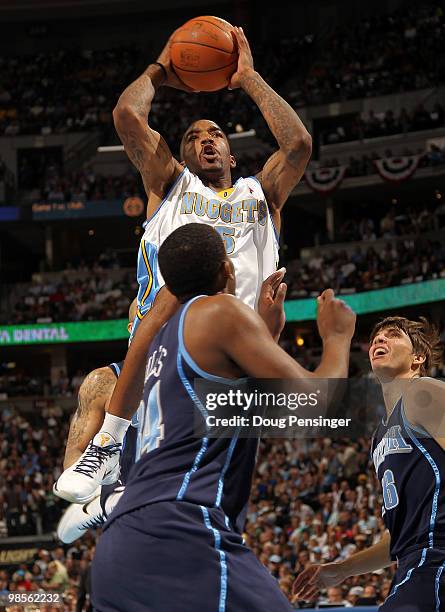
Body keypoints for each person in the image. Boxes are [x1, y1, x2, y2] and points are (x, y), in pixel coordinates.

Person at [73, 224, 354, 611]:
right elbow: (319, 407)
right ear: (226, 269)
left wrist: (264, 340)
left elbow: (229, 413)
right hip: (182, 532)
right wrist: (337, 337)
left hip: (121, 546)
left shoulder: (165, 342)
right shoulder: (219, 311)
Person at [112, 26, 312, 335]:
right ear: (181, 159)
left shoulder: (261, 193)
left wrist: (249, 78)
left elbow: (298, 144)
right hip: (170, 342)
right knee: (97, 384)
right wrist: (161, 68)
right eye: (194, 137)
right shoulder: (170, 184)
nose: (206, 140)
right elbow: (127, 114)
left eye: (216, 134)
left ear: (231, 157)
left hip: (242, 348)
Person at [293, 315, 444, 611]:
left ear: (418, 357)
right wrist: (342, 569)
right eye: (376, 337)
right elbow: (398, 538)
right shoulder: (380, 437)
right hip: (412, 565)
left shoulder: (423, 392)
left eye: (393, 335)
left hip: (436, 560)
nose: (380, 339)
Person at [54, 299, 139, 542]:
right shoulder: (102, 382)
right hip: (125, 498)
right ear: (133, 328)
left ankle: (99, 509)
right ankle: (102, 505)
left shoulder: (193, 374)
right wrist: (102, 479)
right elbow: (73, 460)